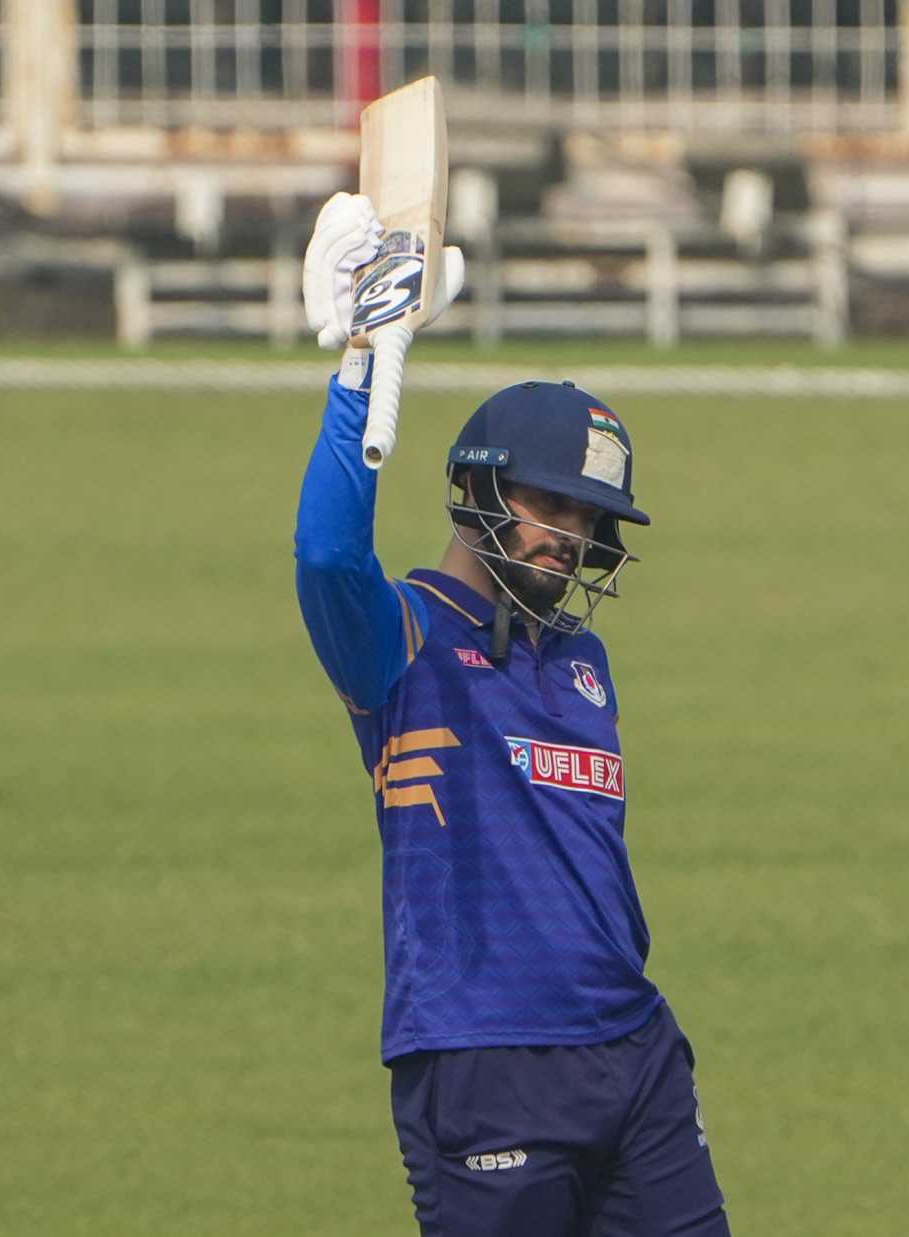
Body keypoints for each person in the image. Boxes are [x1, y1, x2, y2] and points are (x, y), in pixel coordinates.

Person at [295, 193, 731, 1237]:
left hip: (633, 1052)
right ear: (478, 493)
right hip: (485, 1061)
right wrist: (362, 363)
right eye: (552, 507)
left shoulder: (586, 662)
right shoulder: (397, 642)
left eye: (587, 521)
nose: (569, 541)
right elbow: (324, 556)